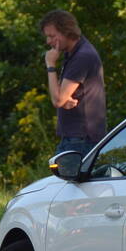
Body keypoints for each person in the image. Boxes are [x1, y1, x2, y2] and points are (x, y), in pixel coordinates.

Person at [40, 9, 106, 157]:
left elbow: (58, 99)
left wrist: (50, 65)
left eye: (51, 36)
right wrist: (63, 97)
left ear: (66, 31)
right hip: (76, 138)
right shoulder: (72, 53)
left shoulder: (82, 56)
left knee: (64, 179)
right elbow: (62, 96)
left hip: (81, 140)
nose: (48, 42)